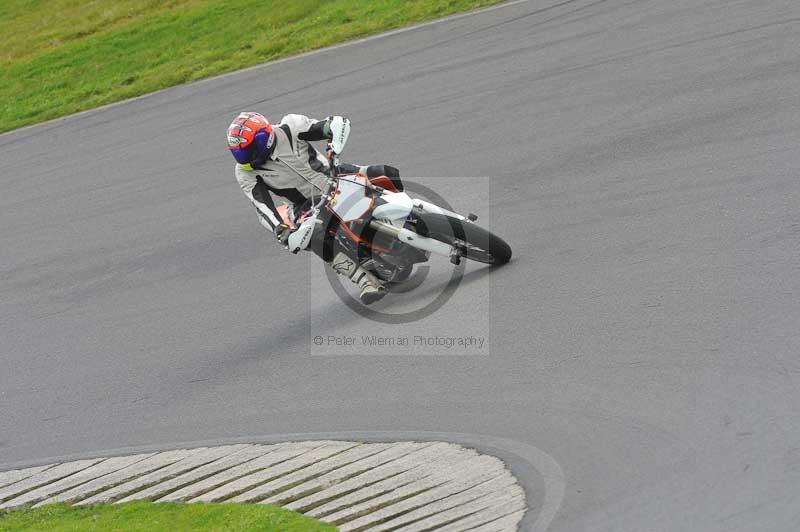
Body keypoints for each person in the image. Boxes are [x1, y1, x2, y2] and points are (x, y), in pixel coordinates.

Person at [227, 111, 401, 304]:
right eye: (239, 153)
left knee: (386, 173)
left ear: (263, 138)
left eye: (248, 150)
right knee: (313, 235)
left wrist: (333, 137)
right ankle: (365, 281)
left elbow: (329, 126)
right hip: (305, 205)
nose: (245, 158)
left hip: (334, 176)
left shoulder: (290, 127)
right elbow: (261, 206)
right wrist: (280, 229)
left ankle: (408, 215)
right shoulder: (244, 172)